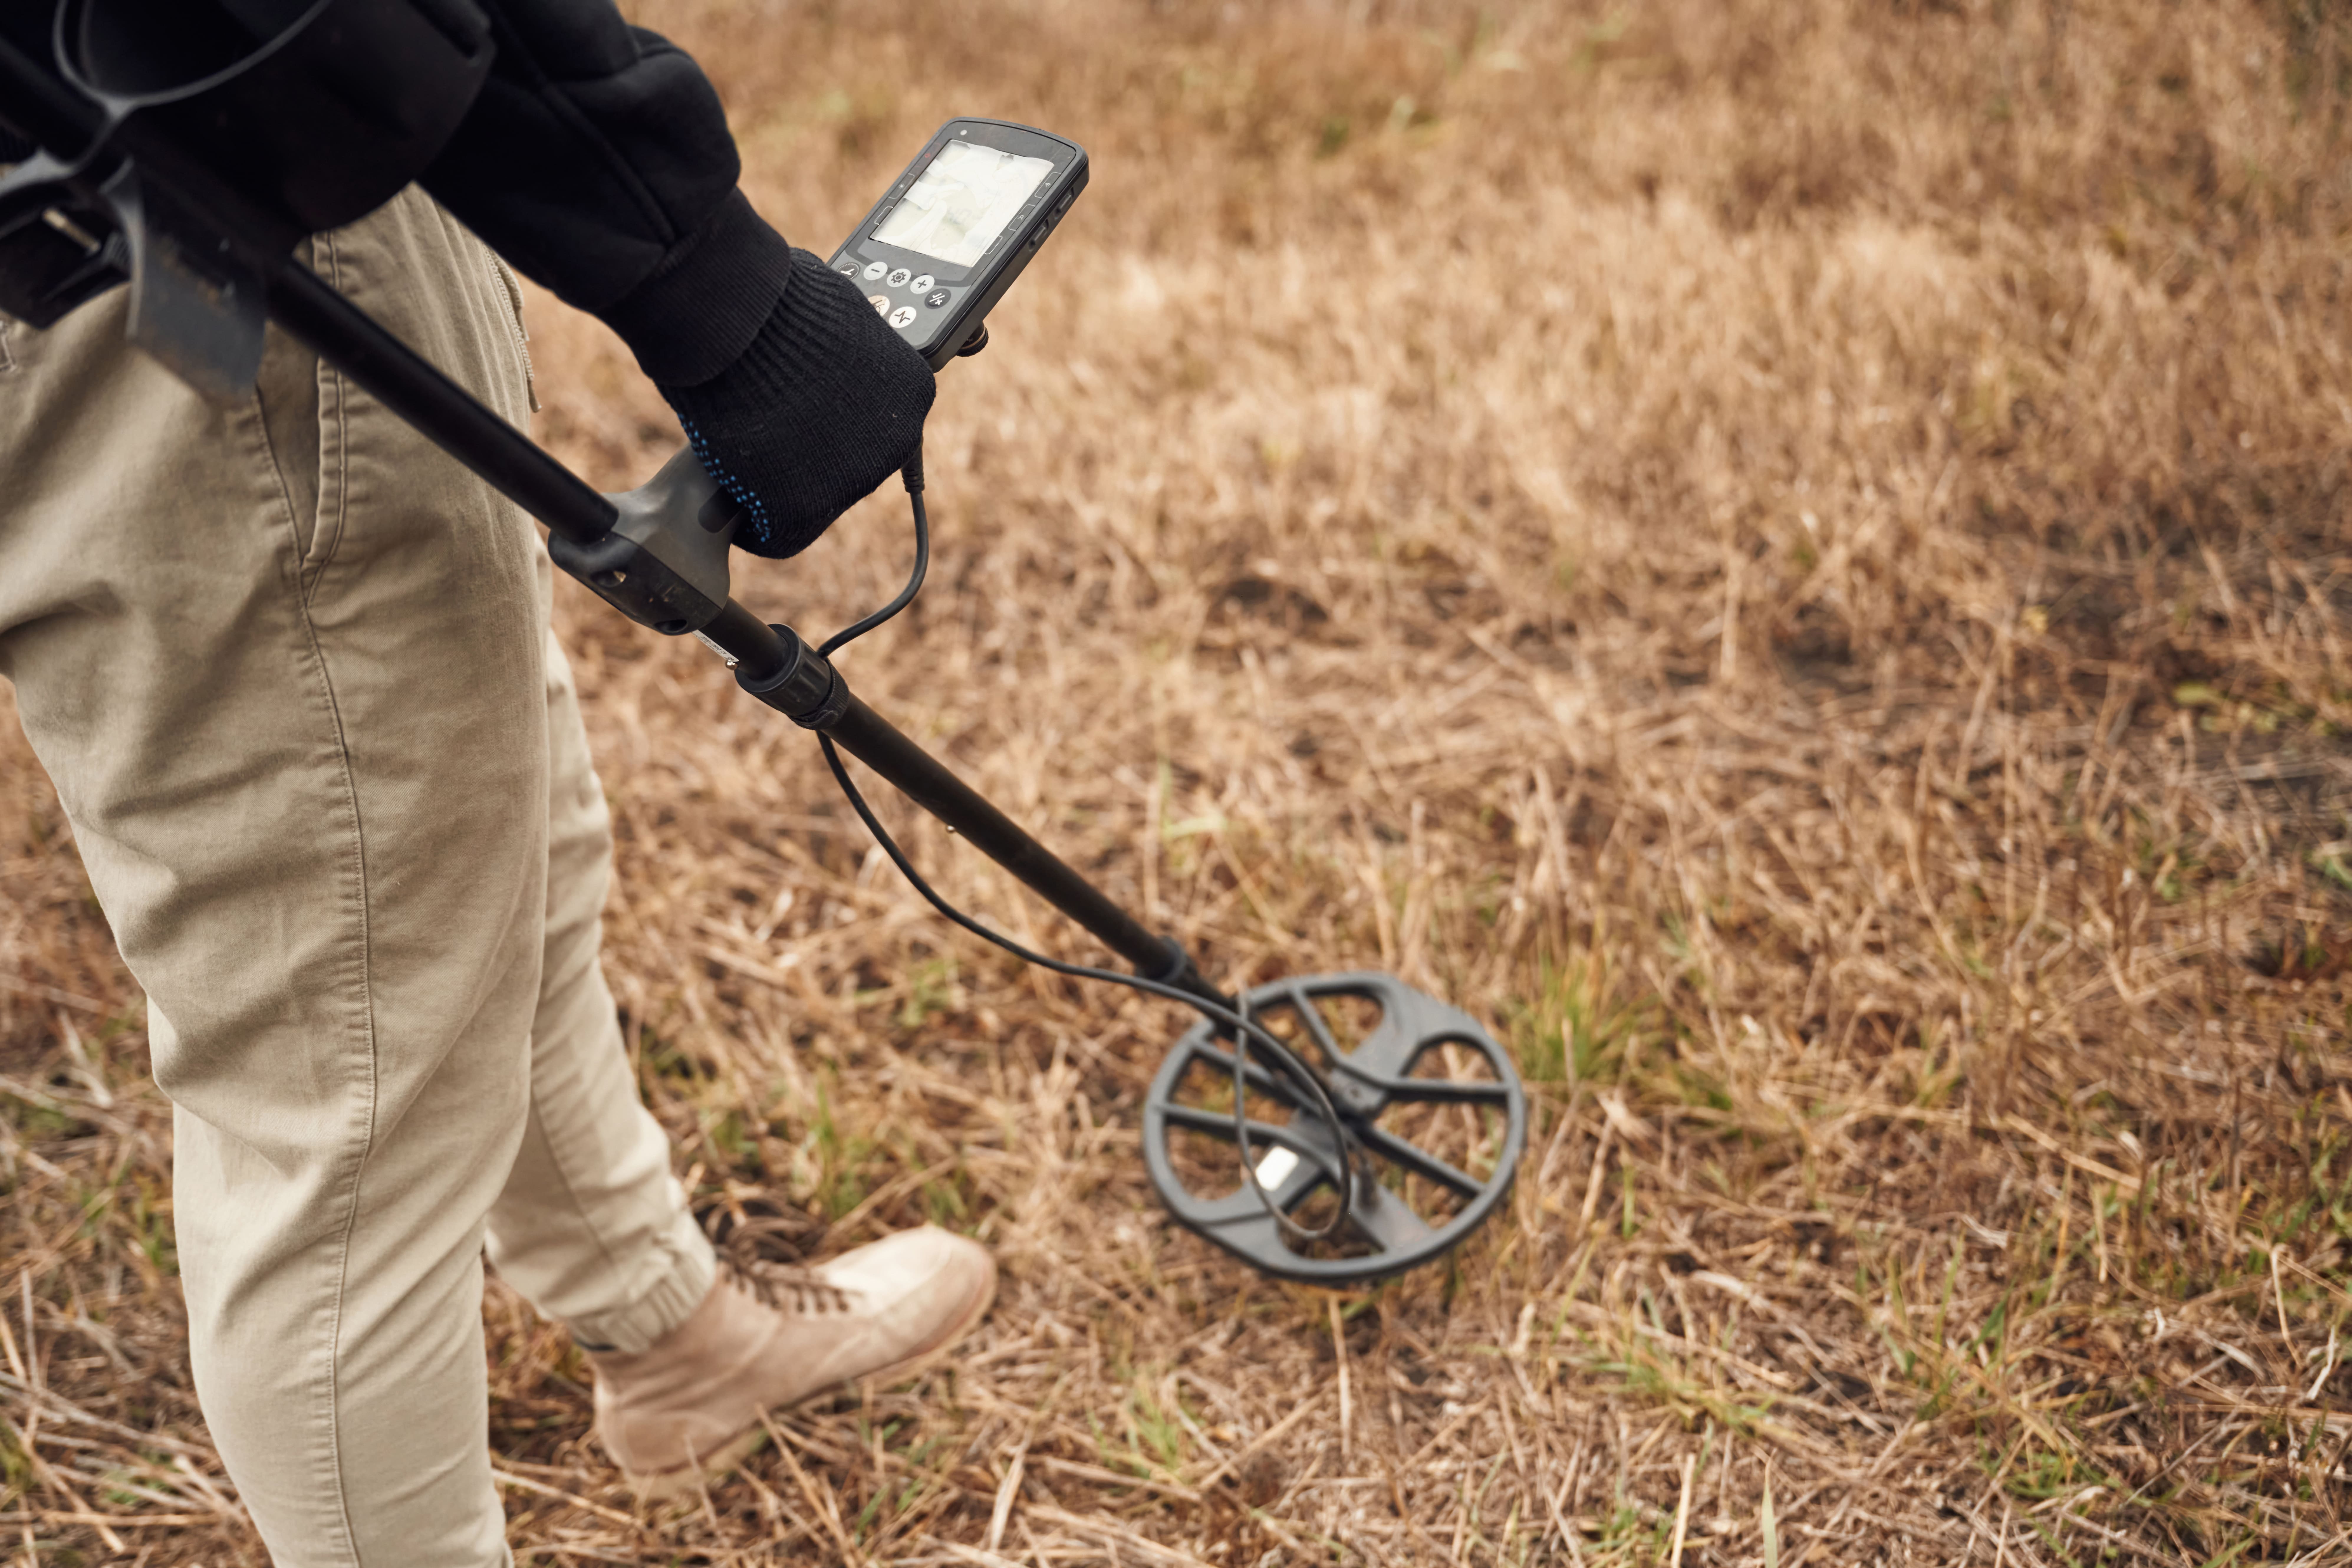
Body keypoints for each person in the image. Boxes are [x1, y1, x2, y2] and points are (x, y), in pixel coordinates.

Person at [0, 1, 994, 1561]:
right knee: (350, 1083)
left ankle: (669, 1332)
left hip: (138, 193)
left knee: (462, 845)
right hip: (177, 227)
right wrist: (716, 289)